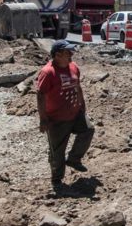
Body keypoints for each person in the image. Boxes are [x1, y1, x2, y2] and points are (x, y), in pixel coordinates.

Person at [36, 40, 94, 190]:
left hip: (75, 113)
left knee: (88, 130)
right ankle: (57, 181)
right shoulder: (48, 72)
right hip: (57, 119)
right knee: (57, 152)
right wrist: (43, 119)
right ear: (57, 55)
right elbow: (40, 95)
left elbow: (78, 86)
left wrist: (82, 104)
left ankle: (74, 159)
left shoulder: (73, 67)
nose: (71, 55)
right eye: (67, 52)